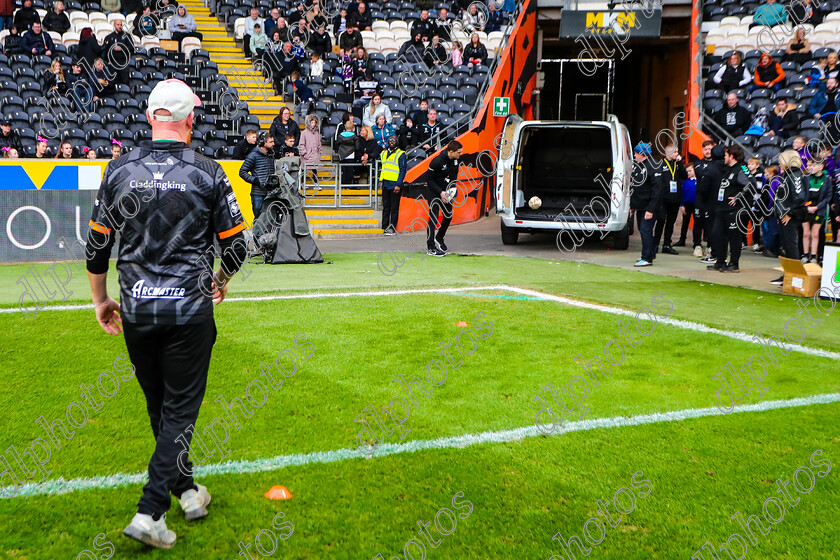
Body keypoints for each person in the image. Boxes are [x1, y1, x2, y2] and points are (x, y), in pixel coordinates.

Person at [84, 79, 246, 550]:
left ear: (150, 115)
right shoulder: (209, 171)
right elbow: (235, 246)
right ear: (189, 119)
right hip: (188, 311)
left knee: (162, 409)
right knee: (177, 412)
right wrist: (221, 281)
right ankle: (151, 510)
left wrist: (100, 301)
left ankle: (188, 492)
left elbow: (97, 248)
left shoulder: (119, 170)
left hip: (137, 308)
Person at [708, 144, 749, 273]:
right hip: (721, 209)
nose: (723, 157)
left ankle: (734, 263)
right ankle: (720, 261)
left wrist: (738, 197)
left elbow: (751, 184)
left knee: (734, 237)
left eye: (726, 155)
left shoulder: (742, 167)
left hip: (734, 210)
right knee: (717, 234)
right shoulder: (728, 169)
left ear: (731, 156)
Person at [770, 150, 808, 284]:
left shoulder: (795, 175)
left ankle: (795, 277)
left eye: (781, 160)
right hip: (783, 215)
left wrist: (789, 213)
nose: (779, 163)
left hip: (790, 216)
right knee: (786, 246)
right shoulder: (787, 175)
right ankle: (788, 274)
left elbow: (799, 198)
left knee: (791, 246)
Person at [422, 140, 462, 256]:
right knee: (433, 217)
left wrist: (450, 192)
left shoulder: (455, 161)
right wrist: (440, 192)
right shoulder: (437, 161)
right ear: (451, 151)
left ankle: (439, 238)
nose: (460, 154)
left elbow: (454, 178)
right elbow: (429, 180)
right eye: (458, 152)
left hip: (446, 191)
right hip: (434, 190)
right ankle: (431, 247)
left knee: (448, 215)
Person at [630, 142, 663, 267]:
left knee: (646, 230)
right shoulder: (640, 166)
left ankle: (648, 257)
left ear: (643, 154)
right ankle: (646, 254)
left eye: (636, 153)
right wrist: (633, 205)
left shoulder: (653, 167)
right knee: (643, 230)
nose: (634, 155)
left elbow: (657, 191)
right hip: (641, 205)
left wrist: (651, 209)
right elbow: (636, 186)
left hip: (649, 206)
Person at [802, 158, 833, 263]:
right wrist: (807, 207)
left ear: (821, 167)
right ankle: (805, 255)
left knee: (815, 234)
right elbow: (803, 194)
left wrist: (817, 207)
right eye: (810, 165)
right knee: (806, 233)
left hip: (819, 210)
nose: (811, 167)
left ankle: (814, 256)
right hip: (807, 208)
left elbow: (828, 196)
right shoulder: (806, 178)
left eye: (814, 166)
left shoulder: (827, 179)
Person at [239, 131, 275, 219]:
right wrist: (255, 181)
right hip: (258, 193)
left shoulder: (271, 155)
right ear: (263, 143)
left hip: (270, 193)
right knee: (258, 219)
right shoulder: (253, 155)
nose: (273, 144)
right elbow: (242, 172)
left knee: (270, 219)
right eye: (271, 142)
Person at [379, 134, 406, 235]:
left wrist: (398, 184)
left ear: (397, 142)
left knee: (394, 207)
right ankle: (385, 226)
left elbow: (403, 170)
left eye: (394, 141)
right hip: (386, 183)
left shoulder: (400, 154)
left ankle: (392, 227)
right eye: (390, 140)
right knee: (386, 207)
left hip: (395, 184)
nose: (391, 142)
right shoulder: (384, 153)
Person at [102, 19, 133, 85]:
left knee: (124, 82)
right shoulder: (109, 37)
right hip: (113, 63)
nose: (120, 26)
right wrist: (108, 60)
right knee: (113, 83)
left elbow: (131, 48)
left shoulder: (126, 36)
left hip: (123, 63)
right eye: (118, 25)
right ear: (114, 25)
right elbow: (106, 50)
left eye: (121, 25)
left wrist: (122, 48)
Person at [298, 114, 322, 192]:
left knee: (314, 170)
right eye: (312, 122)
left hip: (315, 155)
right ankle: (302, 183)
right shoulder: (304, 133)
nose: (313, 124)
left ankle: (316, 184)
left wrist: (319, 152)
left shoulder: (316, 133)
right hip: (306, 156)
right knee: (303, 170)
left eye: (314, 122)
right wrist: (304, 153)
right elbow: (301, 144)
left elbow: (319, 144)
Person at [761, 164, 781, 258]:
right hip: (770, 209)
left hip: (771, 209)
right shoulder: (770, 182)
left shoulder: (774, 182)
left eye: (767, 174)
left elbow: (771, 196)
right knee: (769, 229)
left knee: (771, 230)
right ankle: (769, 248)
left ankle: (770, 248)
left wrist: (770, 208)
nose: (765, 175)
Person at [675, 162, 697, 248]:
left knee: (697, 223)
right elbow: (683, 194)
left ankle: (696, 241)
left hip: (696, 204)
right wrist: (682, 205)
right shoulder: (685, 182)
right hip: (687, 204)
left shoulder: (699, 181)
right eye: (687, 171)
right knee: (685, 223)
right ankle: (682, 239)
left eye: (690, 171)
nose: (689, 173)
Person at [336, 116, 360, 186]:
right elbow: (357, 147)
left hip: (342, 155)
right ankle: (348, 184)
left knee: (343, 170)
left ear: (345, 127)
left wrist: (337, 150)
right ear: (353, 128)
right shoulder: (355, 137)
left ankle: (343, 185)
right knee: (350, 171)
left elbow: (337, 143)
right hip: (351, 155)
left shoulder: (340, 136)